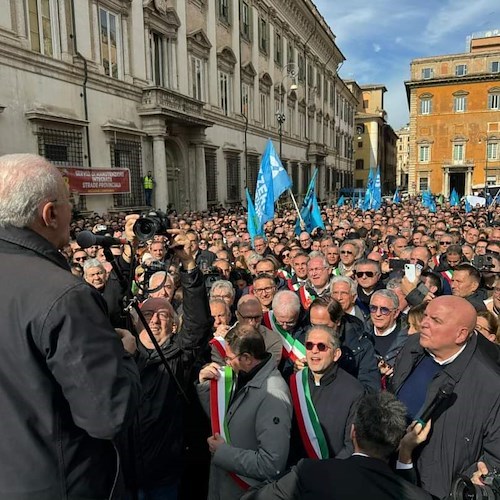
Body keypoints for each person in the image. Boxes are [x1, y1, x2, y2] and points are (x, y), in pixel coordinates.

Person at [0, 154, 140, 499]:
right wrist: (124, 355)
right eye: (69, 205)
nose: (73, 215)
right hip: (58, 482)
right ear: (49, 214)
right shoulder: (63, 294)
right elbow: (109, 415)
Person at [122, 224, 213, 499]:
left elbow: (197, 323)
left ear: (174, 325)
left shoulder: (179, 356)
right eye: (149, 314)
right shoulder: (123, 354)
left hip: (164, 473)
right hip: (124, 472)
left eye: (164, 315)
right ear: (136, 320)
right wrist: (129, 249)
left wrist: (188, 264)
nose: (156, 319)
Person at [391, 296, 500, 499]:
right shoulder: (413, 346)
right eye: (425, 316)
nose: (424, 323)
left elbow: (493, 462)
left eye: (436, 320)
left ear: (460, 335)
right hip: (392, 475)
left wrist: (462, 489)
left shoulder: (491, 384)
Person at [242, 392, 434, 500]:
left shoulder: (310, 472)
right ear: (395, 443)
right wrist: (405, 456)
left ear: (353, 433)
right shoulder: (418, 496)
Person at [197, 324, 292, 500]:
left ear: (247, 358)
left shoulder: (273, 394)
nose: (226, 363)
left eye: (229, 358)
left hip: (245, 492)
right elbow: (225, 421)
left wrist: (223, 452)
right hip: (225, 486)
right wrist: (205, 385)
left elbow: (272, 464)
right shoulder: (243, 376)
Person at [288, 325, 364, 463]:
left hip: (330, 473)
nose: (314, 351)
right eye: (309, 345)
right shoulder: (295, 382)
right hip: (292, 472)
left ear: (336, 354)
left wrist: (326, 472)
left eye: (321, 346)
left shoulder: (354, 391)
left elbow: (351, 445)